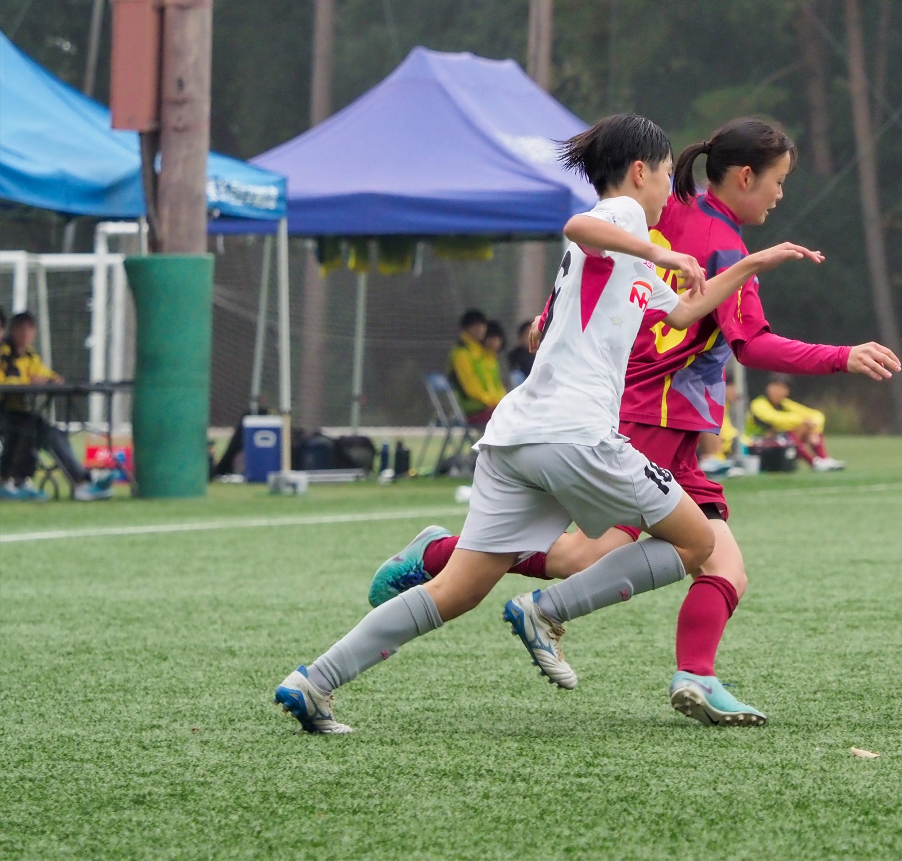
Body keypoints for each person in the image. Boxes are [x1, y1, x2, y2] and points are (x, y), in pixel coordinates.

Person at [274, 113, 820, 733]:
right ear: (639, 172)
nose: (672, 190)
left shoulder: (632, 252)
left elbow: (688, 308)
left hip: (518, 435)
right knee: (697, 544)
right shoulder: (621, 218)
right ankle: (545, 611)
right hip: (575, 432)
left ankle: (314, 681)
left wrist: (751, 265)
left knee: (455, 591)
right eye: (668, 176)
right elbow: (577, 223)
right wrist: (656, 247)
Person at [0, 312, 113, 502]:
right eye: (21, 329)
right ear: (13, 330)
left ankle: (81, 481)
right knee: (26, 427)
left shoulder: (28, 355)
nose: (25, 334)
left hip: (14, 413)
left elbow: (46, 375)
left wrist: (48, 380)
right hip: (7, 414)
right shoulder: (4, 354)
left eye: (30, 329)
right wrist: (27, 381)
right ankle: (15, 481)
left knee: (46, 430)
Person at [748, 374, 845, 471]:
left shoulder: (785, 404)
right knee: (793, 431)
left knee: (807, 428)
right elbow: (774, 418)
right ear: (768, 388)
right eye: (775, 387)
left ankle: (823, 459)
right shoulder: (758, 404)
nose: (778, 391)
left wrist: (814, 427)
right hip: (754, 442)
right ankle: (814, 462)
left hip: (776, 442)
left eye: (783, 388)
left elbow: (815, 415)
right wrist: (803, 421)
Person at [447, 309, 505, 426]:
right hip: (471, 409)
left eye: (482, 325)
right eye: (476, 326)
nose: (481, 329)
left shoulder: (483, 354)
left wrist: (503, 401)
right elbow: (471, 389)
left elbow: (495, 385)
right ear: (466, 329)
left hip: (487, 406)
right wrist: (492, 401)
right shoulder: (461, 354)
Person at [506, 320, 536, 388]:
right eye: (528, 333)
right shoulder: (515, 357)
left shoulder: (540, 357)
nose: (532, 337)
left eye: (535, 334)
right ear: (521, 337)